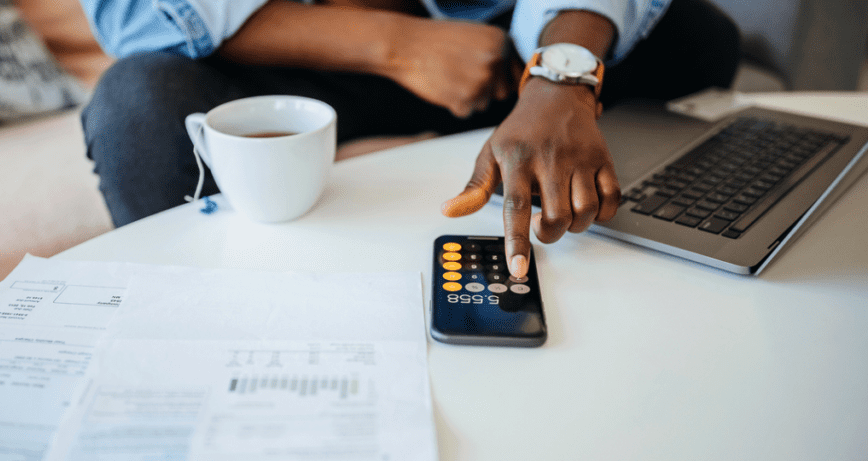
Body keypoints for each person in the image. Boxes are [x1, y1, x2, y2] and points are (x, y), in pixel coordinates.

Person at [80, 0, 739, 277]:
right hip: (302, 46)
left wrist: (561, 75)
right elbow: (135, 13)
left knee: (699, 37)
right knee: (137, 107)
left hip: (507, 41)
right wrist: (399, 46)